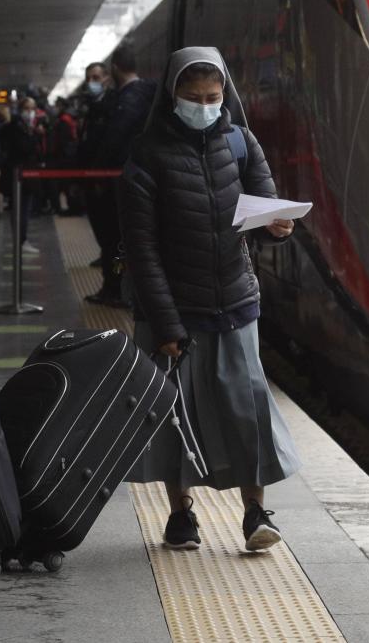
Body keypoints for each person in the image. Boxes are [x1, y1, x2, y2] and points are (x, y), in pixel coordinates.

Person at [120, 47, 300, 553]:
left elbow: (264, 207)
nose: (204, 106)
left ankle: (255, 511)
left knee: (248, 407)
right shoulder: (147, 156)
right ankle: (181, 515)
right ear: (171, 95)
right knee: (174, 415)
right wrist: (168, 325)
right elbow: (143, 251)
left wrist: (278, 228)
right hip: (171, 309)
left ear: (225, 96)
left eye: (213, 97)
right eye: (193, 97)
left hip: (236, 302)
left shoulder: (241, 142)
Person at [83, 43, 156, 307]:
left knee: (112, 240)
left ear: (113, 69)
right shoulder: (148, 94)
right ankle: (118, 287)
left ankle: (116, 289)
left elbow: (112, 140)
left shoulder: (129, 99)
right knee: (121, 240)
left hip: (114, 182)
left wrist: (95, 174)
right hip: (132, 179)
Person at [0, 96, 47, 249]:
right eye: (27, 109)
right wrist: (36, 135)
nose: (30, 112)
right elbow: (24, 148)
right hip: (20, 174)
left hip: (26, 174)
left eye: (33, 109)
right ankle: (20, 241)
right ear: (20, 110)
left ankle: (21, 240)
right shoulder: (17, 126)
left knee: (24, 208)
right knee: (21, 209)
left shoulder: (25, 126)